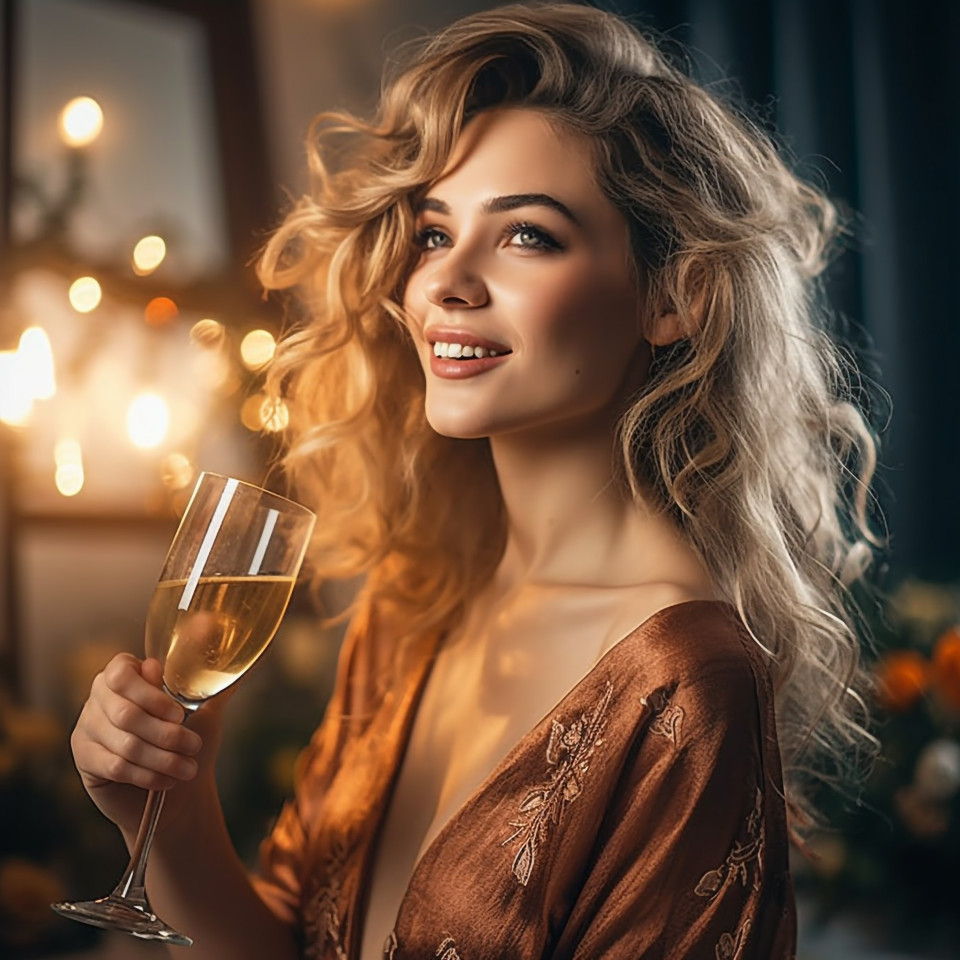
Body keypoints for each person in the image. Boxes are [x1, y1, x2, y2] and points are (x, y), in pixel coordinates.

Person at [68, 3, 883, 958]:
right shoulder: (415, 605)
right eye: (431, 233)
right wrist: (167, 814)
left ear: (676, 296)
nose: (445, 283)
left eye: (527, 235)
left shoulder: (686, 687)